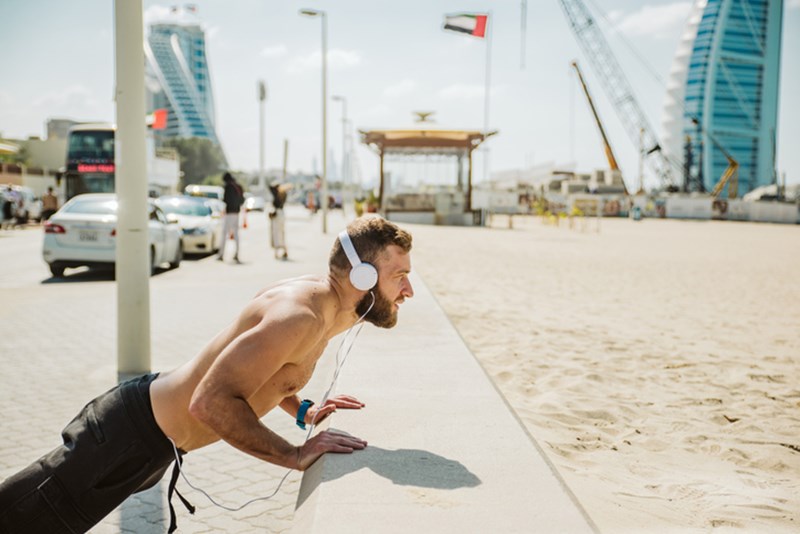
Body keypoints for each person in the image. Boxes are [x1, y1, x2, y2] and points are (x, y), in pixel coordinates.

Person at [0, 216, 414, 534]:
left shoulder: (330, 308)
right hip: (126, 433)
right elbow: (210, 401)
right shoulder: (299, 316)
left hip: (151, 443)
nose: (408, 290)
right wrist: (295, 455)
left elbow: (265, 371)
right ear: (363, 277)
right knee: (19, 519)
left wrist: (303, 410)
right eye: (400, 277)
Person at [217, 172, 244, 263]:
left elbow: (226, 199)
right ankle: (237, 253)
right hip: (236, 212)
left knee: (224, 233)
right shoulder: (238, 186)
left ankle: (221, 254)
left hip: (229, 213)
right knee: (236, 234)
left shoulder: (228, 187)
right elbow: (242, 200)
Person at [269, 181, 290, 260]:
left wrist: (277, 185)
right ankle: (284, 250)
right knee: (282, 233)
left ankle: (277, 252)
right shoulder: (284, 193)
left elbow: (270, 187)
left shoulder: (277, 194)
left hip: (277, 214)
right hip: (282, 214)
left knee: (276, 233)